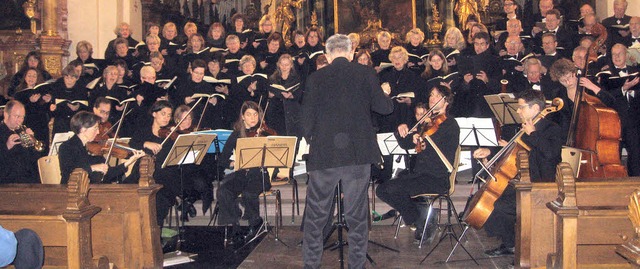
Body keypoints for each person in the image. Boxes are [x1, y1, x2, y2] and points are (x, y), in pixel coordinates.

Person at [301, 34, 393, 269]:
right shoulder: (365, 74)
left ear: (328, 54)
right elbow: (383, 108)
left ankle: (311, 264)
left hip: (324, 155)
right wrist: (385, 93)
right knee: (356, 215)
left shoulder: (315, 78)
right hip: (357, 154)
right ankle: (356, 265)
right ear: (351, 53)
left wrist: (314, 137)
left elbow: (305, 123)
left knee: (316, 215)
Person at [474, 89, 562, 257]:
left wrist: (533, 134)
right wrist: (490, 153)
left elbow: (551, 154)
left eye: (521, 107)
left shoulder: (552, 129)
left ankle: (520, 248)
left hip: (541, 185)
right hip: (522, 181)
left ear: (535, 108)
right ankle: (510, 243)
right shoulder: (522, 129)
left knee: (500, 207)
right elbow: (514, 153)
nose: (518, 111)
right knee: (487, 201)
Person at [377, 85, 460, 240]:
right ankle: (419, 217)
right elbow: (406, 144)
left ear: (446, 101)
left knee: (393, 188)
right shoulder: (426, 123)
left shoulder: (450, 124)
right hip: (420, 175)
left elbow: (439, 143)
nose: (431, 99)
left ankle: (421, 217)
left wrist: (423, 136)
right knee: (382, 190)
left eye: (436, 96)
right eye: (431, 95)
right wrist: (401, 130)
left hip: (437, 178)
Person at [216, 101, 275, 245]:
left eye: (255, 114)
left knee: (249, 193)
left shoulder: (265, 133)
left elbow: (275, 157)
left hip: (260, 175)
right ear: (242, 117)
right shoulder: (237, 134)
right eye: (248, 115)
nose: (253, 118)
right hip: (242, 175)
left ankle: (255, 223)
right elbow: (222, 160)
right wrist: (233, 163)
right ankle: (236, 227)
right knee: (223, 191)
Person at [58, 111, 144, 184]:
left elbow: (109, 173)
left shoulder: (87, 148)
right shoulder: (66, 147)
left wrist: (130, 161)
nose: (98, 132)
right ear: (83, 129)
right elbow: (68, 173)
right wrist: (93, 168)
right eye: (95, 128)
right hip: (72, 192)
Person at [0, 101, 41, 184]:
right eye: (17, 116)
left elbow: (34, 160)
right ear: (6, 115)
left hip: (27, 179)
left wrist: (33, 142)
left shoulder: (21, 131)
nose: (20, 121)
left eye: (22, 117)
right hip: (7, 181)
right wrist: (7, 146)